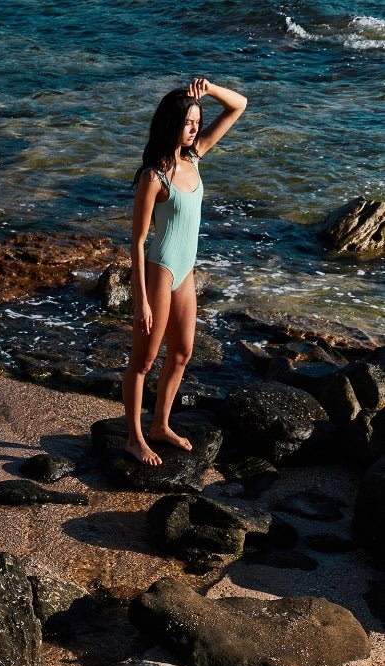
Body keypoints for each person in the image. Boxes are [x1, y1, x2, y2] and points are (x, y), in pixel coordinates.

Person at [123, 77, 247, 465]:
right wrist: (141, 300)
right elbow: (138, 242)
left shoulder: (195, 157)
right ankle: (134, 438)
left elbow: (239, 105)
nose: (194, 128)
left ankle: (160, 425)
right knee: (143, 362)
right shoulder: (153, 176)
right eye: (187, 122)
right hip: (160, 270)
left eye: (197, 121)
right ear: (171, 124)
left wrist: (209, 90)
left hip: (186, 272)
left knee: (182, 352)